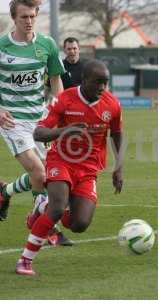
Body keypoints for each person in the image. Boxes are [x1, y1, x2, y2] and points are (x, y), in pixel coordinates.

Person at [15, 59, 124, 276]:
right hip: (61, 160)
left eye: (106, 82)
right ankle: (25, 261)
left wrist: (118, 167)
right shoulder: (64, 99)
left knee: (80, 224)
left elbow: (117, 133)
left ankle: (41, 209)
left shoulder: (112, 104)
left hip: (89, 168)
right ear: (84, 81)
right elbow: (39, 133)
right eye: (97, 82)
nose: (102, 88)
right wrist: (65, 131)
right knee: (57, 208)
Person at [0, 0, 71, 245]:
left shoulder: (47, 44)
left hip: (40, 121)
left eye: (32, 16)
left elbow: (55, 81)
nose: (29, 21)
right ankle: (46, 226)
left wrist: (59, 111)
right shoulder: (1, 46)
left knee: (47, 176)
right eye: (23, 17)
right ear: (14, 18)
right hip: (12, 121)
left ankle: (4, 192)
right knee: (39, 172)